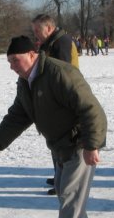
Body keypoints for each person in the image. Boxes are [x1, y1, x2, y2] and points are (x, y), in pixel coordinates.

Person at [0, 36, 107, 218]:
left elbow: (92, 109)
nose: (12, 66)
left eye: (15, 60)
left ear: (32, 54)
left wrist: (92, 145)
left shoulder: (59, 73)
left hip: (79, 142)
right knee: (66, 193)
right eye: (8, 62)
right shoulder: (26, 81)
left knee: (70, 195)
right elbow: (18, 116)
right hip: (59, 145)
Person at [31, 14, 79, 195]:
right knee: (54, 140)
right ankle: (58, 174)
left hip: (63, 98)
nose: (35, 34)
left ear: (49, 28)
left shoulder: (62, 42)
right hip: (54, 97)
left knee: (62, 141)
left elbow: (62, 71)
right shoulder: (51, 42)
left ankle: (63, 179)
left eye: (38, 30)